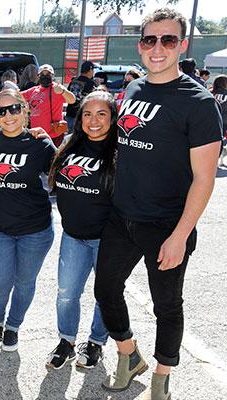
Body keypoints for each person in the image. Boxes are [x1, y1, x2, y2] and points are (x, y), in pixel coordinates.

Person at [93, 8, 223, 400]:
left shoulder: (198, 103)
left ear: (182, 45)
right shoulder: (133, 90)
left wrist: (180, 235)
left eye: (168, 40)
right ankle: (129, 356)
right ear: (141, 44)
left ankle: (162, 377)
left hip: (167, 224)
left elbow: (204, 178)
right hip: (122, 217)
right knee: (105, 289)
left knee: (167, 305)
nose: (158, 48)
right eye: (150, 39)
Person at [0, 88, 55, 352]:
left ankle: (13, 326)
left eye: (14, 109)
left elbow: (62, 173)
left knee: (25, 283)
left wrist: (51, 139)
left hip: (35, 230)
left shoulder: (39, 144)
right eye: (2, 111)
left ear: (25, 110)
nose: (9, 116)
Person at [46, 91, 117, 370]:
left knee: (105, 295)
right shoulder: (69, 145)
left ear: (113, 118)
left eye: (102, 114)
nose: (94, 121)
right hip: (73, 236)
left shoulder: (122, 152)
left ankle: (97, 342)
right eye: (87, 114)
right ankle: (66, 341)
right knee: (66, 293)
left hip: (108, 240)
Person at [21, 64, 76, 147]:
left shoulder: (57, 88)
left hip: (54, 135)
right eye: (42, 74)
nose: (45, 76)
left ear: (52, 76)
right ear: (38, 76)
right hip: (36, 134)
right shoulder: (33, 91)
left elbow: (72, 100)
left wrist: (63, 92)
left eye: (48, 74)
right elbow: (17, 96)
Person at [65, 61, 97, 134]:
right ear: (90, 70)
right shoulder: (91, 84)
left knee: (70, 140)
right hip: (81, 118)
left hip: (69, 115)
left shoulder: (73, 81)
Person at [211, 75, 227, 167]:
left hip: (210, 120)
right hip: (224, 121)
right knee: (222, 141)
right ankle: (220, 160)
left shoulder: (210, 93)